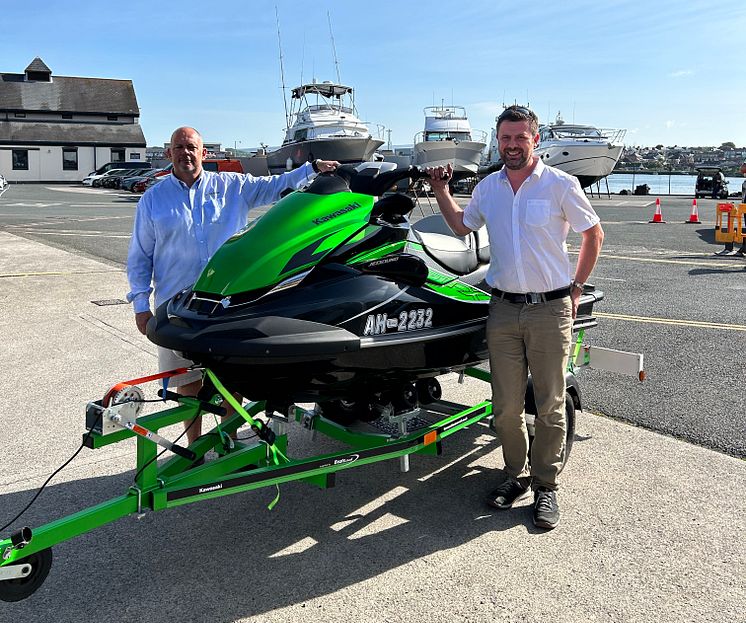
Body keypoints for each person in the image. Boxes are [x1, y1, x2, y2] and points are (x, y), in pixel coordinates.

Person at [427, 105, 604, 530]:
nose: (511, 145)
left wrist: (576, 288)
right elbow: (460, 228)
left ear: (535, 140)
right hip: (503, 308)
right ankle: (515, 475)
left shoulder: (561, 185)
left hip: (550, 308)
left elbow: (593, 234)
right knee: (505, 407)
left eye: (520, 137)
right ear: (499, 139)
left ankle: (546, 486)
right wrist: (440, 190)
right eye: (505, 138)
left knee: (549, 404)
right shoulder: (489, 188)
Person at [127, 126, 338, 446]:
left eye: (192, 147)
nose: (186, 153)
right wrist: (141, 306)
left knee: (232, 379)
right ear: (169, 153)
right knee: (187, 382)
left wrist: (311, 169)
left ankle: (230, 442)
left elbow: (276, 186)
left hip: (227, 302)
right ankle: (195, 446)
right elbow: (140, 258)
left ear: (204, 153)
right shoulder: (152, 200)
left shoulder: (232, 186)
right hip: (176, 305)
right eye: (179, 147)